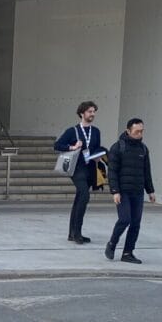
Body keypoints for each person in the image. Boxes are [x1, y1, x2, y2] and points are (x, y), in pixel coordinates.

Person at [105, 117, 156, 264]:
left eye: (141, 131)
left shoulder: (143, 149)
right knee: (124, 219)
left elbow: (147, 172)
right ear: (128, 131)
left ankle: (128, 252)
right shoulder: (118, 147)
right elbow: (112, 171)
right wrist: (115, 191)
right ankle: (112, 243)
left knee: (135, 223)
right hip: (123, 191)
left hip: (138, 191)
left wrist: (150, 191)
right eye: (137, 132)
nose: (140, 134)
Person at [53, 100, 105, 244]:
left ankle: (74, 233)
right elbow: (57, 145)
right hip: (77, 168)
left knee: (79, 199)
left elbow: (96, 148)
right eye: (90, 111)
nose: (92, 114)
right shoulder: (72, 131)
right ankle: (77, 233)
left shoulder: (96, 131)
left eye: (94, 111)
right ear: (82, 113)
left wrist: (98, 156)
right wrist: (72, 146)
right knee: (84, 195)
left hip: (90, 169)